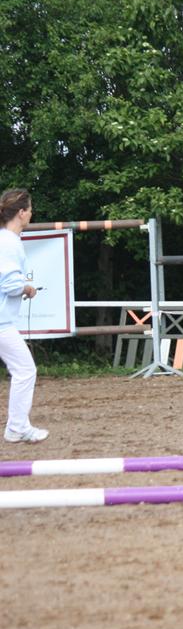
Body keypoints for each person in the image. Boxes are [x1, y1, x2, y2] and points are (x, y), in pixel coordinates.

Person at [0, 188, 48, 443]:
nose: (31, 214)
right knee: (25, 370)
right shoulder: (9, 243)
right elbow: (8, 285)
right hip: (1, 323)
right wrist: (27, 288)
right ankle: (17, 427)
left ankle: (17, 427)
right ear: (21, 213)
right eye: (29, 209)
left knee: (23, 369)